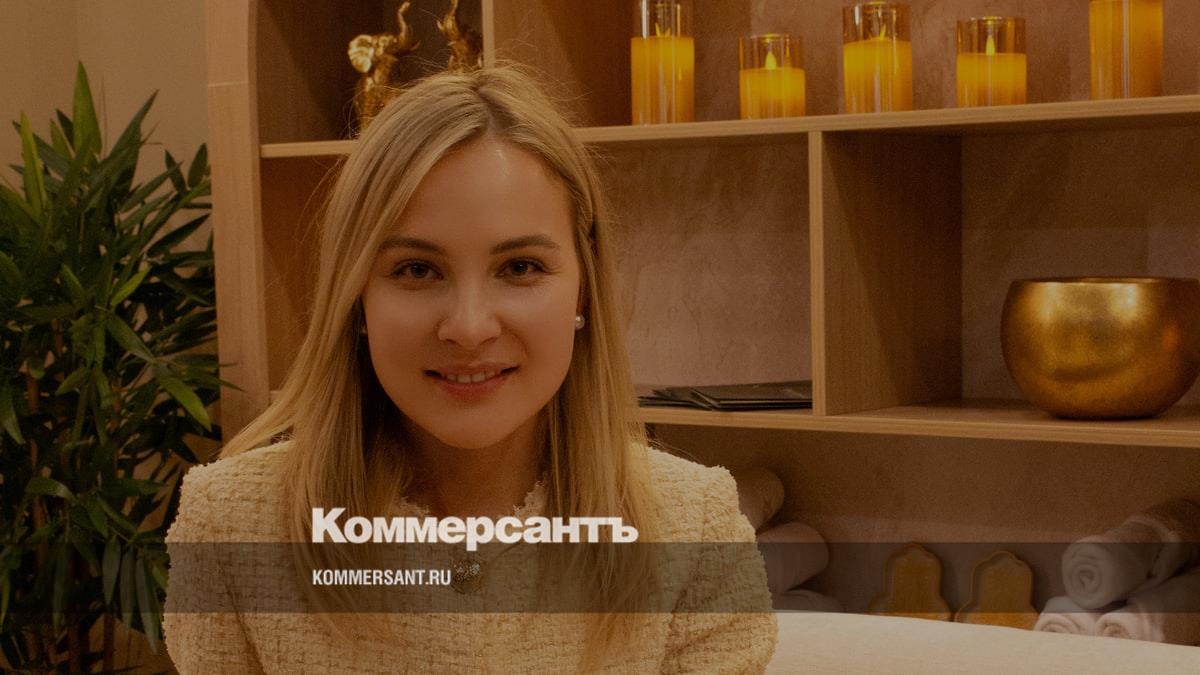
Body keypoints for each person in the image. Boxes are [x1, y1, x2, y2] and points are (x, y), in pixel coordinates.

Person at [162, 63, 777, 673]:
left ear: (584, 289)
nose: (469, 326)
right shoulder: (232, 525)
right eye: (417, 270)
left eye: (520, 268)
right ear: (356, 298)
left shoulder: (694, 527)